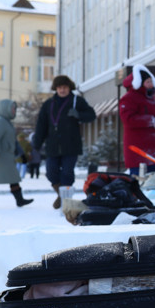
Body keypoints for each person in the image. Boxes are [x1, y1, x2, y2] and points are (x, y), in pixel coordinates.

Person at [32, 75, 96, 209]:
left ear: (69, 88)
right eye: (59, 87)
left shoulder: (76, 101)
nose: (62, 90)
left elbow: (91, 115)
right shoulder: (48, 104)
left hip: (71, 145)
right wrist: (36, 144)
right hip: (53, 145)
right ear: (56, 89)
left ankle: (66, 203)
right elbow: (41, 125)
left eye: (65, 87)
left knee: (67, 173)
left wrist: (78, 114)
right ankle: (62, 196)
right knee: (51, 172)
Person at [0, 100, 33, 208]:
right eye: (13, 108)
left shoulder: (7, 122)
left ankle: (20, 200)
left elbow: (13, 141)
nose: (14, 111)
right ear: (6, 109)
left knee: (13, 178)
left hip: (6, 158)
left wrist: (22, 154)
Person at [118, 65, 155, 175]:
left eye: (151, 81)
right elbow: (128, 119)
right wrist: (150, 121)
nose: (151, 84)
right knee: (141, 183)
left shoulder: (152, 99)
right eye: (148, 82)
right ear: (140, 83)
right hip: (139, 152)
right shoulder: (129, 98)